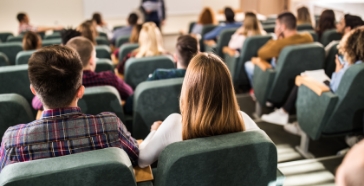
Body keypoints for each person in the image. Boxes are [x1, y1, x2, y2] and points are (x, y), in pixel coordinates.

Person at [0, 45, 139, 172]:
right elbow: (136, 157)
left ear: (34, 91)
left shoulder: (12, 141)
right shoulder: (110, 126)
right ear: (81, 91)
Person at [138, 53, 260, 168]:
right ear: (228, 90)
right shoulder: (243, 120)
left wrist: (154, 131)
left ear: (189, 88)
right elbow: (266, 154)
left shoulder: (173, 124)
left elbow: (141, 160)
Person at [262, 26, 364, 135]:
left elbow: (334, 89)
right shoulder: (359, 68)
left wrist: (337, 72)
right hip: (352, 115)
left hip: (328, 103)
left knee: (303, 78)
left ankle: (295, 121)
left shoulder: (349, 70)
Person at [32, 37, 133, 110]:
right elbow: (130, 94)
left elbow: (37, 103)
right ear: (91, 60)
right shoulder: (110, 79)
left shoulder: (59, 84)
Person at [244, 12, 314, 86]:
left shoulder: (279, 44)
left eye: (276, 24)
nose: (275, 27)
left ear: (283, 27)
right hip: (301, 76)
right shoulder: (308, 36)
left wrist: (277, 38)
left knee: (248, 64)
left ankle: (256, 93)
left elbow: (261, 53)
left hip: (278, 78)